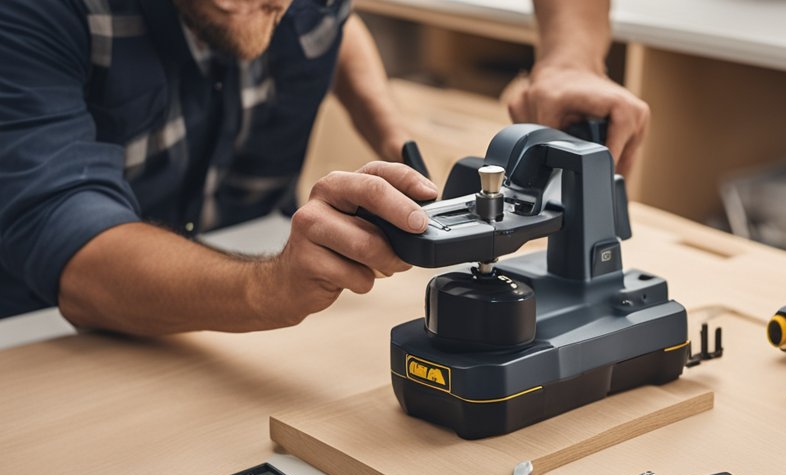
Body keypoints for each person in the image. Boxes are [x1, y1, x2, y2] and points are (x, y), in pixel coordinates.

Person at [0, 0, 649, 334]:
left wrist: (569, 59)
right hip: (42, 337)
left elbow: (332, 24)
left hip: (238, 303)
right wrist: (268, 286)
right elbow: (75, 253)